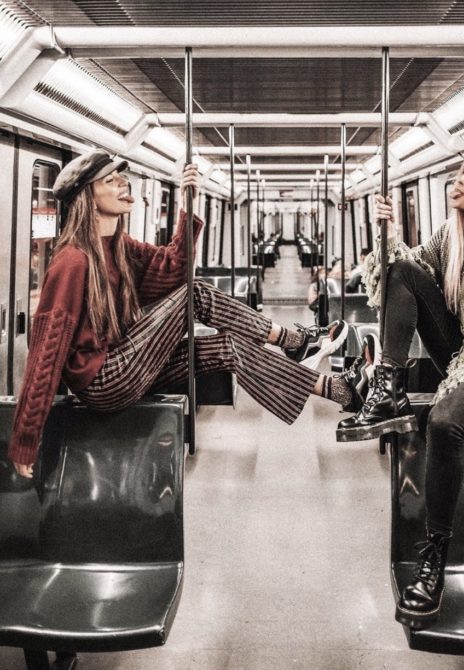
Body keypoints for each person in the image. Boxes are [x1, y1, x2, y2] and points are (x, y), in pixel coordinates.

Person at [9, 149, 366, 479]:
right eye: (111, 181)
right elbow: (47, 352)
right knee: (193, 295)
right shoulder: (71, 261)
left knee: (229, 347)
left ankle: (337, 390)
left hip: (125, 365)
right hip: (104, 381)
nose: (123, 185)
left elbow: (175, 269)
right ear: (87, 196)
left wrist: (188, 203)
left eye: (123, 178)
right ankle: (294, 340)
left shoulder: (120, 248)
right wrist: (28, 435)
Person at [338, 149, 464, 628]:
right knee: (401, 271)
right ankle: (388, 383)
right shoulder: (450, 235)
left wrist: (451, 386)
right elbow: (409, 274)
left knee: (445, 420)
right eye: (458, 175)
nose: (459, 183)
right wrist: (384, 234)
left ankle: (434, 558)